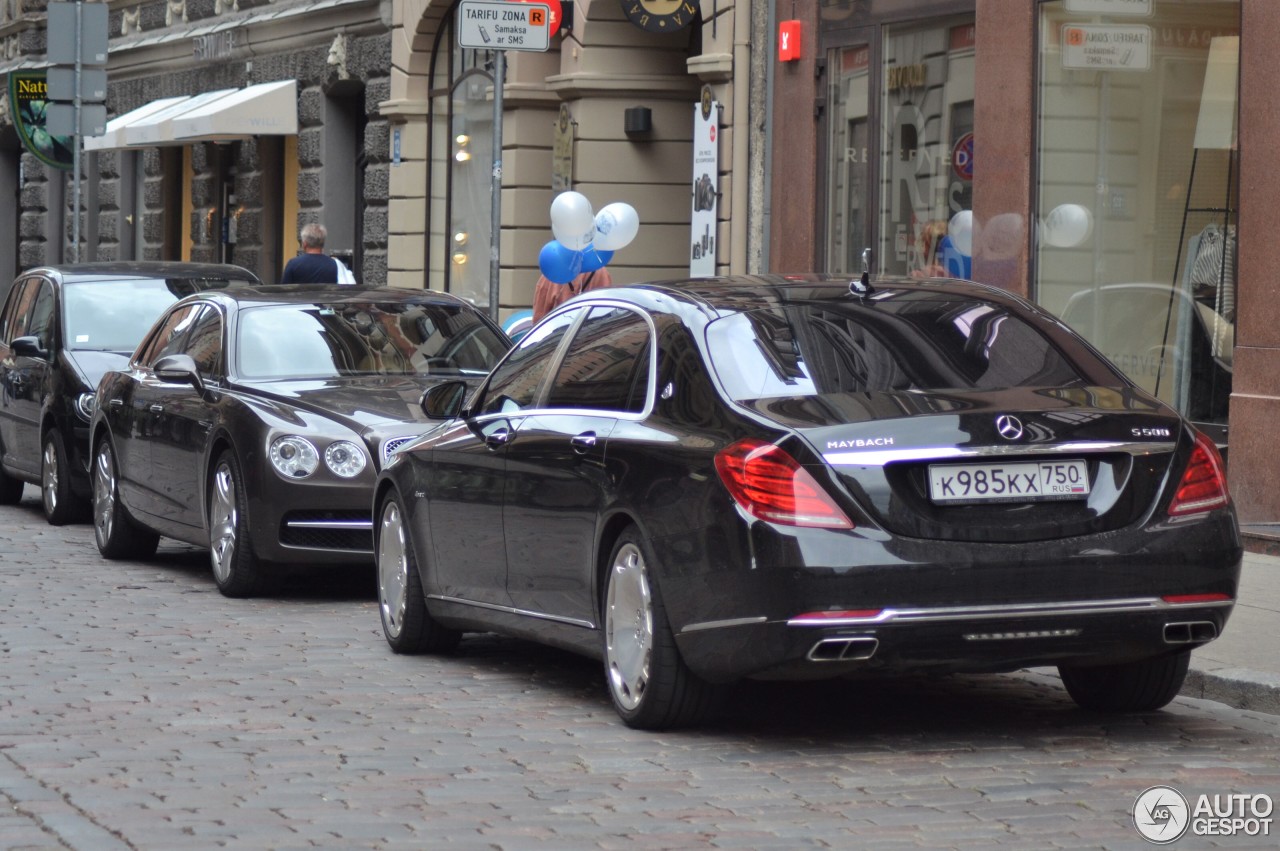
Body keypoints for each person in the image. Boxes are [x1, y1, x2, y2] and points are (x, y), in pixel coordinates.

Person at [281, 223, 355, 284]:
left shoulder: (293, 264)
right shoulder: (335, 264)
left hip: (301, 302)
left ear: (304, 244)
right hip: (326, 301)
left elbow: (284, 291)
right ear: (322, 243)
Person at [531, 267, 612, 322]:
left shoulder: (551, 274)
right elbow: (607, 312)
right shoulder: (601, 272)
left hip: (559, 340)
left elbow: (539, 320)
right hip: (593, 337)